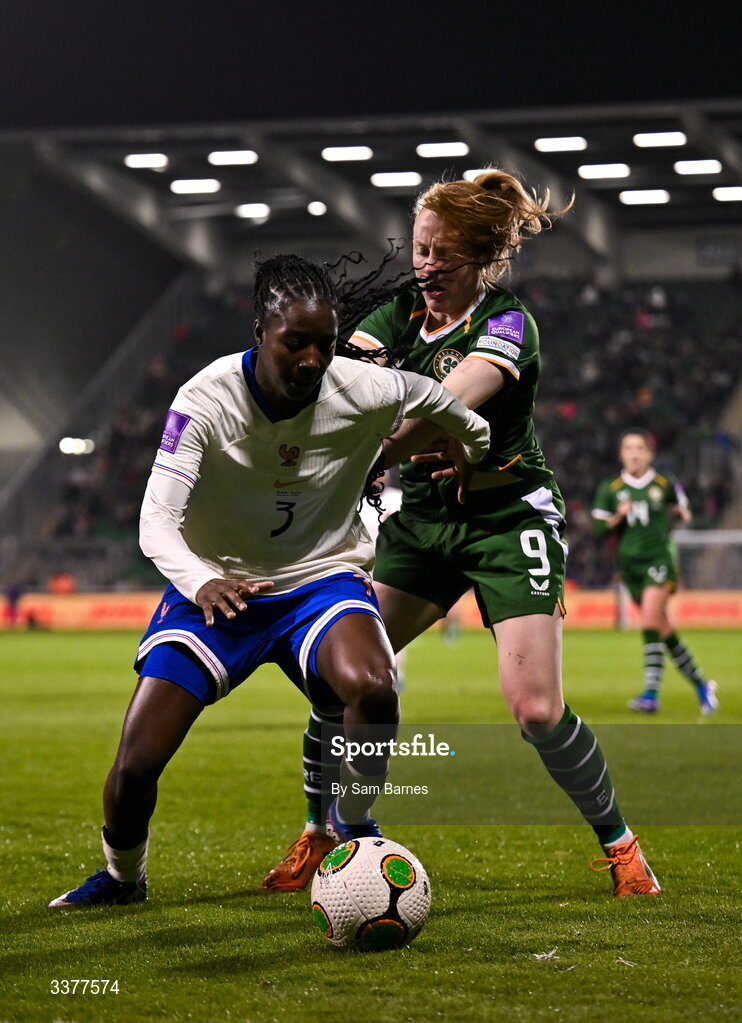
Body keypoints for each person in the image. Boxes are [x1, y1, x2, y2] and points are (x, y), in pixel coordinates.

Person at [263, 171, 661, 899]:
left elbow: (444, 406)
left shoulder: (509, 324)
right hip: (422, 524)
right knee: (337, 676)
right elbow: (348, 388)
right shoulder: (394, 319)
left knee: (536, 708)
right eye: (419, 249)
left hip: (509, 521)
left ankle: (621, 844)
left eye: (443, 254)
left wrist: (370, 454)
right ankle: (329, 833)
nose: (427, 266)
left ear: (482, 259)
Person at [48, 254, 490, 908]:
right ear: (259, 329)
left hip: (320, 581)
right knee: (136, 763)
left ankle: (355, 831)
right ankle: (122, 876)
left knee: (374, 687)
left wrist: (465, 451)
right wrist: (200, 582)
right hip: (218, 590)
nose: (314, 359)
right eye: (296, 342)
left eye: (327, 343)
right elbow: (156, 522)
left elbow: (459, 412)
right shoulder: (204, 399)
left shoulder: (364, 386)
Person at [592, 429, 718, 715]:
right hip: (630, 567)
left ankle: (650, 695)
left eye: (640, 449)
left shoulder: (664, 484)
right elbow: (599, 529)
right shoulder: (610, 489)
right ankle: (701, 685)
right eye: (628, 448)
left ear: (650, 454)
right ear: (621, 453)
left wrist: (681, 514)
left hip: (659, 561)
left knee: (648, 621)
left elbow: (683, 509)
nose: (634, 454)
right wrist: (618, 517)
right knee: (664, 631)